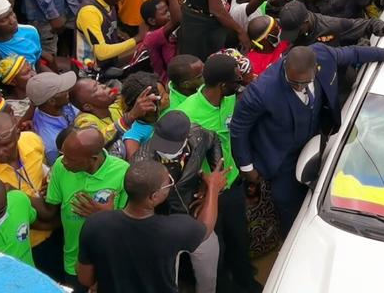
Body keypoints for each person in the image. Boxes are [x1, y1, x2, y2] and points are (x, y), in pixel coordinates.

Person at [230, 44, 384, 231]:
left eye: (304, 83)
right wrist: (247, 167)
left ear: (316, 68)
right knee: (286, 200)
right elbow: (239, 127)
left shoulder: (324, 55)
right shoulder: (261, 91)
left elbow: (353, 53)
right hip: (282, 156)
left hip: (318, 140)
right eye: (293, 82)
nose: (298, 87)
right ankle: (294, 234)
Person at [176, 53, 263, 292]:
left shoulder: (232, 99)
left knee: (239, 239)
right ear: (223, 85)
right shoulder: (187, 114)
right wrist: (202, 184)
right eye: (237, 81)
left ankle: (246, 281)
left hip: (232, 184)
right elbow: (178, 161)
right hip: (205, 195)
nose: (240, 84)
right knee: (217, 249)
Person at [77, 159, 224, 293]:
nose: (171, 185)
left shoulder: (95, 224)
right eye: (169, 183)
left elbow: (85, 279)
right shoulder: (172, 230)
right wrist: (213, 188)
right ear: (153, 197)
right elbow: (206, 227)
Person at [132, 110, 224, 293]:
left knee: (208, 278)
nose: (163, 149)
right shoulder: (141, 163)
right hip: (162, 229)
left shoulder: (198, 136)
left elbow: (214, 139)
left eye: (170, 146)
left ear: (186, 136)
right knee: (166, 285)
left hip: (194, 215)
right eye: (160, 142)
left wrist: (213, 179)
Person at [40, 127, 130, 288]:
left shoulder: (123, 172)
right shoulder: (60, 166)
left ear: (93, 158)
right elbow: (50, 210)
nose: (64, 161)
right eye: (63, 155)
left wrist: (105, 216)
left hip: (109, 263)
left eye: (70, 159)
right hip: (73, 263)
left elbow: (132, 224)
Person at [75, 0, 137, 69]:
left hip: (108, 64)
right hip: (90, 72)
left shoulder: (108, 1)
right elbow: (101, 53)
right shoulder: (89, 12)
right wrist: (136, 39)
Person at [27, 71, 78, 165]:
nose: (68, 90)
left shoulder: (63, 105)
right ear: (52, 101)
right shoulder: (51, 142)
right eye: (63, 90)